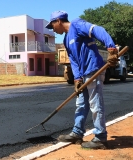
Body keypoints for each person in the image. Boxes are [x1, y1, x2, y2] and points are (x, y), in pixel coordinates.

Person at [45, 11, 118, 149]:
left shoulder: (77, 25)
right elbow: (73, 60)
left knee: (95, 104)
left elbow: (98, 30)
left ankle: (100, 138)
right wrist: (77, 79)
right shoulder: (66, 39)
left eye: (52, 26)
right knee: (81, 104)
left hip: (94, 69)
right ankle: (77, 133)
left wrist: (111, 49)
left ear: (58, 21)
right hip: (84, 74)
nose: (53, 29)